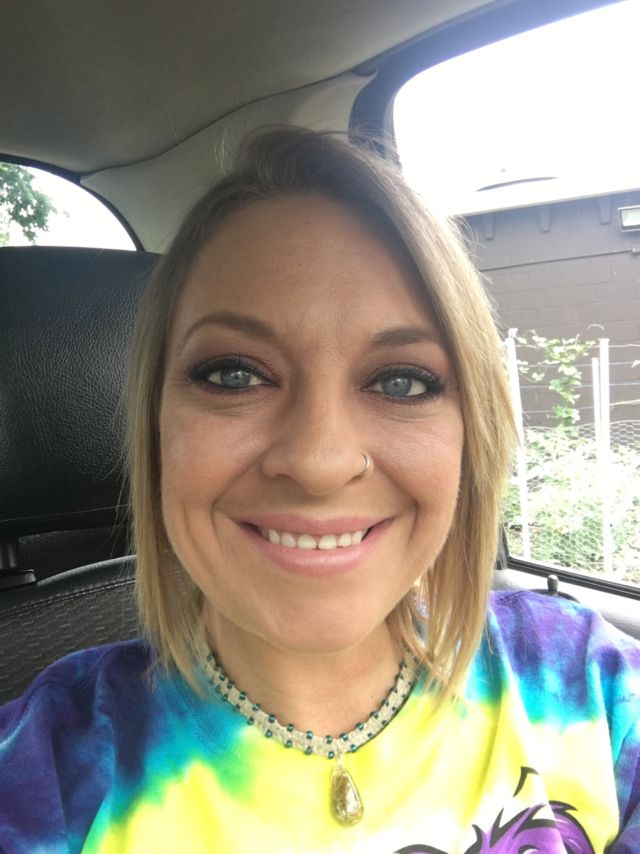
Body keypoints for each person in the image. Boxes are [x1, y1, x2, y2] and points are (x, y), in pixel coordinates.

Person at [0, 128, 638, 853]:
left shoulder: (589, 686)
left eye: (402, 382)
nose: (319, 460)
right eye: (235, 374)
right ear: (155, 425)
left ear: (472, 431)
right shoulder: (45, 776)